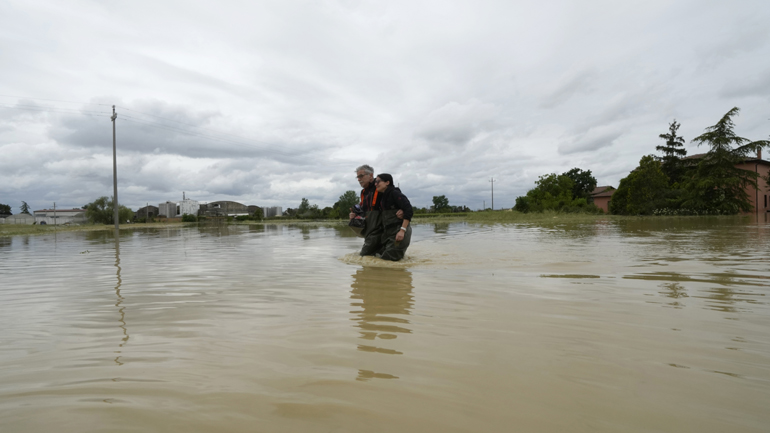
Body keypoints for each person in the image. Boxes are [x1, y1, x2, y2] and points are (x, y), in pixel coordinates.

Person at [350, 165, 403, 256]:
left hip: (382, 229)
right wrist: (355, 215)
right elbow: (365, 210)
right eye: (357, 177)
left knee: (364, 256)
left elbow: (395, 193)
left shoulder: (380, 186)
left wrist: (402, 209)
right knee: (375, 256)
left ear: (371, 175)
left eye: (361, 176)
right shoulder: (363, 192)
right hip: (370, 230)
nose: (359, 179)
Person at [373, 173, 413, 261]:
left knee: (387, 262)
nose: (375, 184)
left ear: (387, 182)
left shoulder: (395, 193)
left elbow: (409, 209)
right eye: (375, 182)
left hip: (399, 233)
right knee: (379, 257)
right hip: (388, 234)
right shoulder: (382, 197)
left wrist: (402, 231)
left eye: (378, 181)